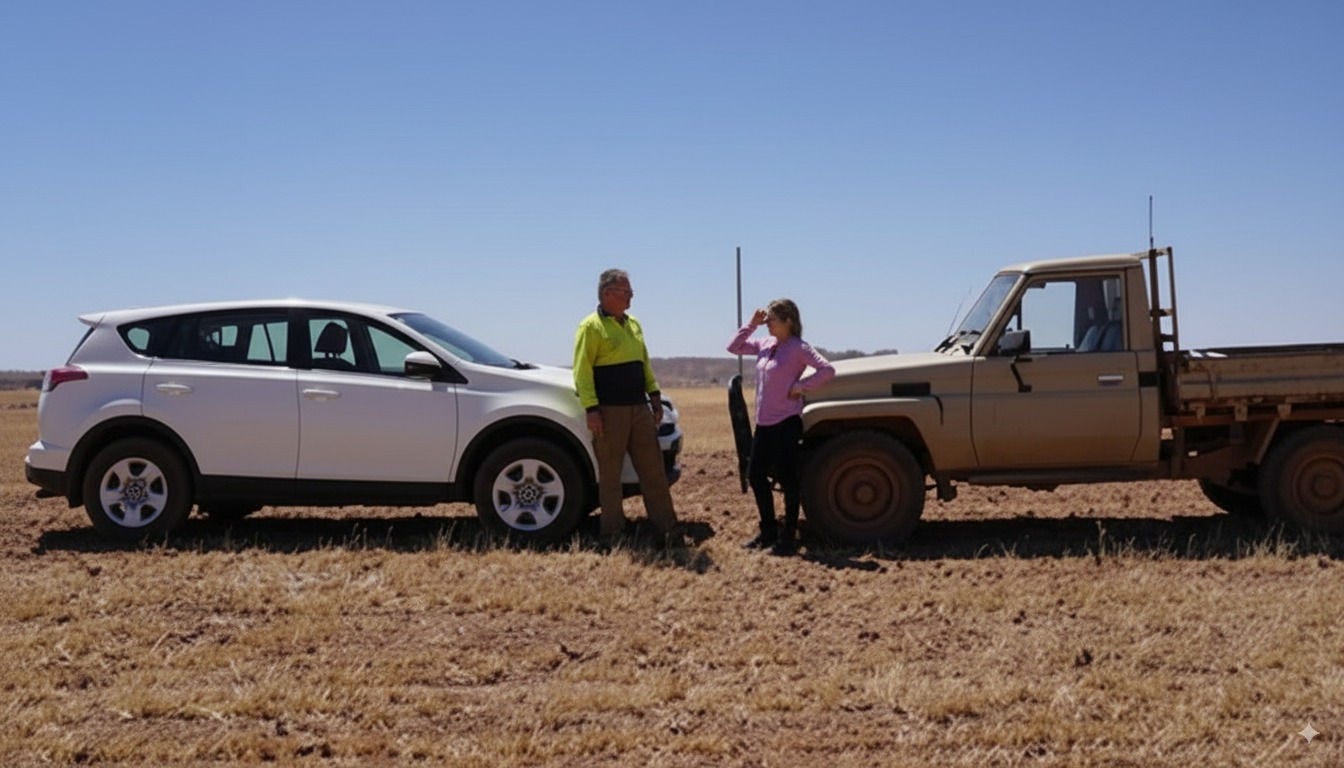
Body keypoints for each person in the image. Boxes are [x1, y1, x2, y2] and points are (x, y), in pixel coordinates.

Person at [574, 269, 682, 549]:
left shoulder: (633, 324)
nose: (631, 297)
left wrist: (654, 394)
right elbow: (582, 371)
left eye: (631, 292)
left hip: (639, 409)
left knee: (654, 471)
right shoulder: (590, 327)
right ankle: (612, 536)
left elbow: (643, 363)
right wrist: (592, 409)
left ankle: (668, 531)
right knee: (611, 476)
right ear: (608, 294)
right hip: (609, 413)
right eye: (626, 292)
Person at [727, 298, 835, 555]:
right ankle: (767, 531)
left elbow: (827, 370)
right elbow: (734, 347)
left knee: (788, 480)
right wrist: (751, 325)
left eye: (771, 320)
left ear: (788, 321)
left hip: (786, 422)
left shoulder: (799, 348)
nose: (768, 325)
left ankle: (788, 536)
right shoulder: (765, 345)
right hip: (764, 423)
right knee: (755, 475)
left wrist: (801, 387)